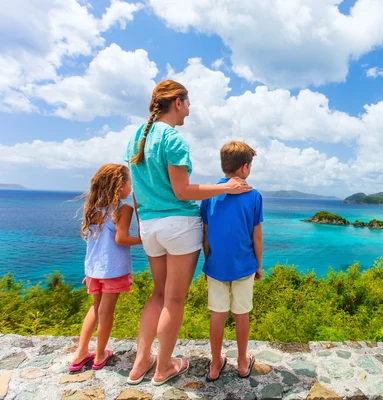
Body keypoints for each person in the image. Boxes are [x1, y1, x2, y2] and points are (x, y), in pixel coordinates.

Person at [125, 80, 251, 386]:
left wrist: (143, 225)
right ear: (177, 102)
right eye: (188, 102)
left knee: (157, 294)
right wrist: (227, 187)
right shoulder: (172, 139)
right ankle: (163, 366)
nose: (190, 109)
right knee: (174, 299)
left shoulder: (135, 139)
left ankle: (141, 362)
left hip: (150, 225)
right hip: (178, 226)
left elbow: (139, 194)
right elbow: (182, 191)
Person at [200, 141, 263, 382]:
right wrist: (258, 264)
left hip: (216, 266)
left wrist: (208, 262)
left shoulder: (209, 195)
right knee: (241, 314)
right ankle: (242, 362)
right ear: (245, 167)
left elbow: (206, 233)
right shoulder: (254, 196)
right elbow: (256, 235)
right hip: (244, 265)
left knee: (217, 314)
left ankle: (215, 364)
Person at [69, 164, 141, 372]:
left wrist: (90, 271)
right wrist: (144, 240)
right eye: (129, 183)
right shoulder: (123, 209)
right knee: (107, 311)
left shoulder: (93, 209)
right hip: (113, 269)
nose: (130, 187)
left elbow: (95, 243)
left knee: (95, 308)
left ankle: (80, 353)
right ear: (120, 186)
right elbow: (121, 238)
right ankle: (100, 355)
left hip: (94, 269)